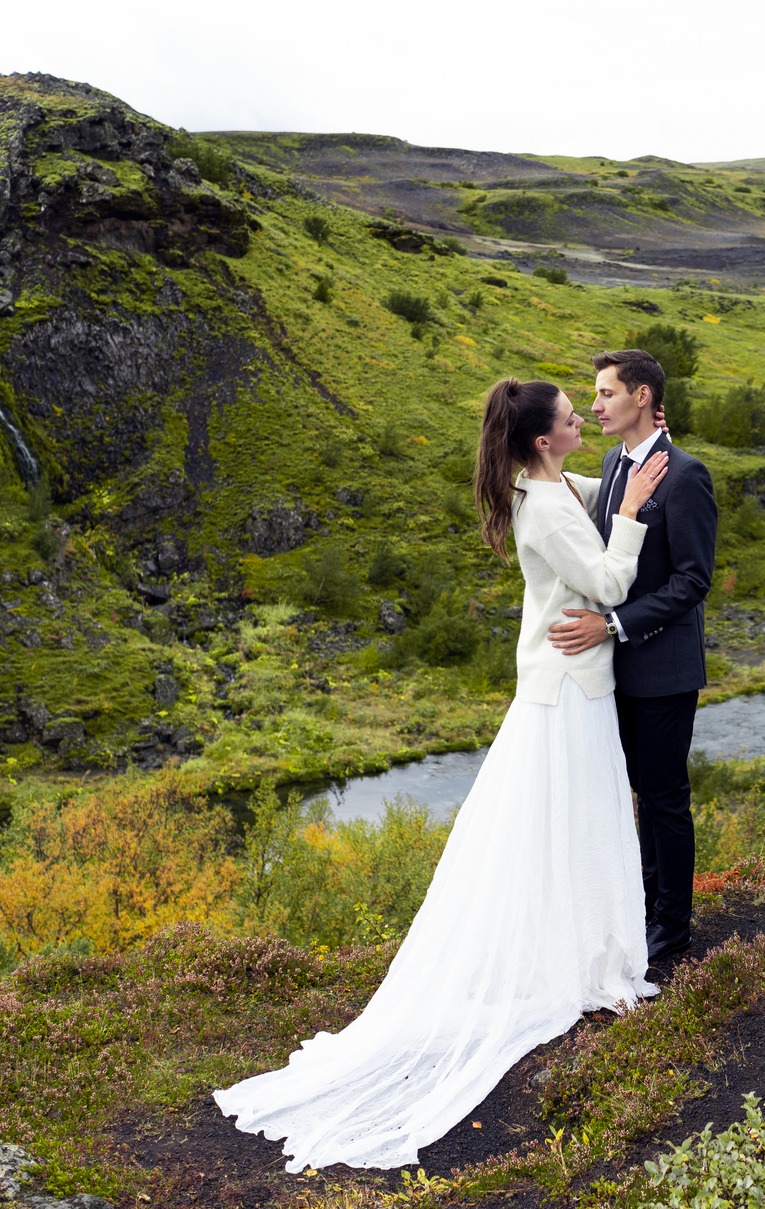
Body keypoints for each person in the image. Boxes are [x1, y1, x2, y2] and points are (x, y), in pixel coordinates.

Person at [214, 379, 669, 1171]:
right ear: (541, 440)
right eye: (571, 417)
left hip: (564, 683)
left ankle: (582, 949)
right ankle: (588, 960)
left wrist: (637, 458)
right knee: (584, 819)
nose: (580, 421)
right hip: (569, 690)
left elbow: (603, 482)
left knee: (574, 821)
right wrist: (629, 519)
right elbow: (606, 584)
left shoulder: (556, 482)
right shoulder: (548, 506)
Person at [547, 349, 717, 968]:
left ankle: (671, 930)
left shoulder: (686, 475)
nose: (593, 407)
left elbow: (693, 581)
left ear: (642, 397)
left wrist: (612, 623)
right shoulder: (613, 462)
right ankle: (639, 910)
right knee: (631, 794)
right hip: (616, 667)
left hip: (665, 666)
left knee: (665, 797)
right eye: (592, 397)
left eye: (605, 394)